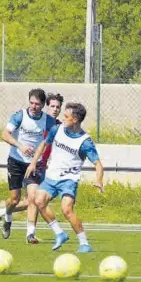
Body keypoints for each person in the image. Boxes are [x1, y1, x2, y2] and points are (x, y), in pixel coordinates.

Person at [25, 102, 104, 252]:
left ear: (75, 120)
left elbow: (98, 164)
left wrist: (98, 180)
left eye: (66, 117)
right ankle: (59, 234)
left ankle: (84, 243)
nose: (63, 118)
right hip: (51, 177)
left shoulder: (85, 142)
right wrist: (33, 162)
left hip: (68, 180)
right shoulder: (57, 129)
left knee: (66, 209)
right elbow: (44, 144)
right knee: (38, 200)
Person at [0, 92, 63, 243]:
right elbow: (4, 134)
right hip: (16, 161)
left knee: (33, 197)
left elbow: (60, 136)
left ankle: (30, 234)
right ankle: (7, 217)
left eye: (37, 104)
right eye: (31, 103)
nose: (33, 107)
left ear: (43, 105)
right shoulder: (19, 116)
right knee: (14, 200)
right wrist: (20, 146)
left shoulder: (48, 121)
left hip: (34, 164)